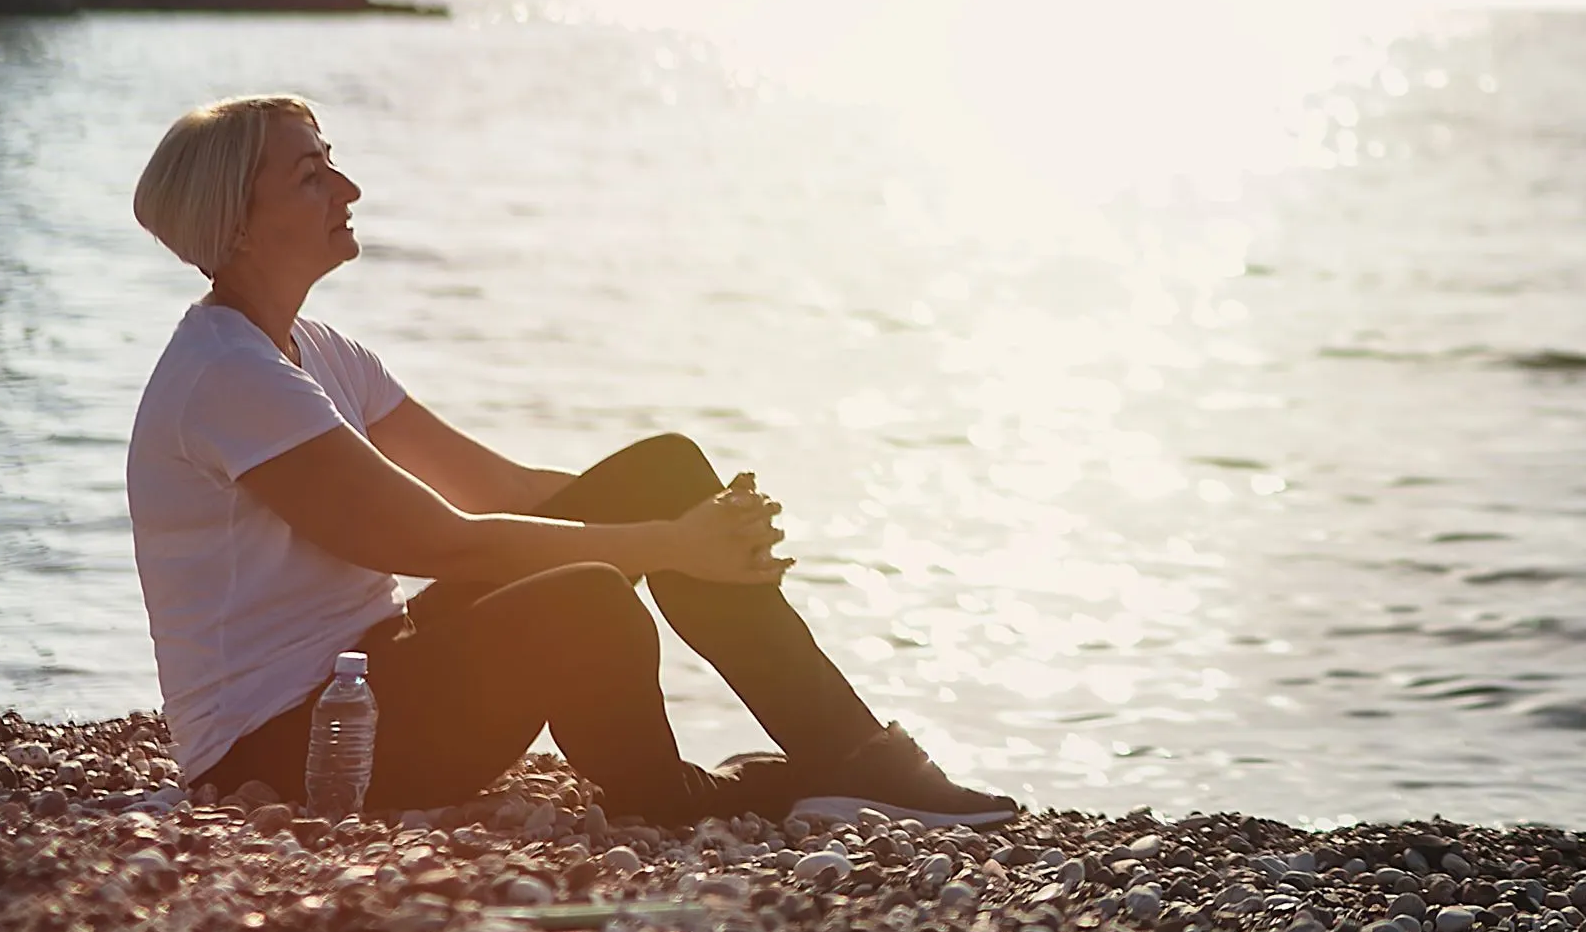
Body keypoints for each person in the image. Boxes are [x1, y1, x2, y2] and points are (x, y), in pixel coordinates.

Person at [123, 93, 1018, 829]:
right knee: (586, 603)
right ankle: (671, 802)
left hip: (376, 675)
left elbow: (506, 493)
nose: (347, 187)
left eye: (333, 163)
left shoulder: (317, 349)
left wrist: (693, 517)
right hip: (287, 753)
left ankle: (853, 756)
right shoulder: (227, 376)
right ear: (236, 223)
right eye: (313, 176)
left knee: (663, 467)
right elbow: (449, 544)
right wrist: (670, 546)